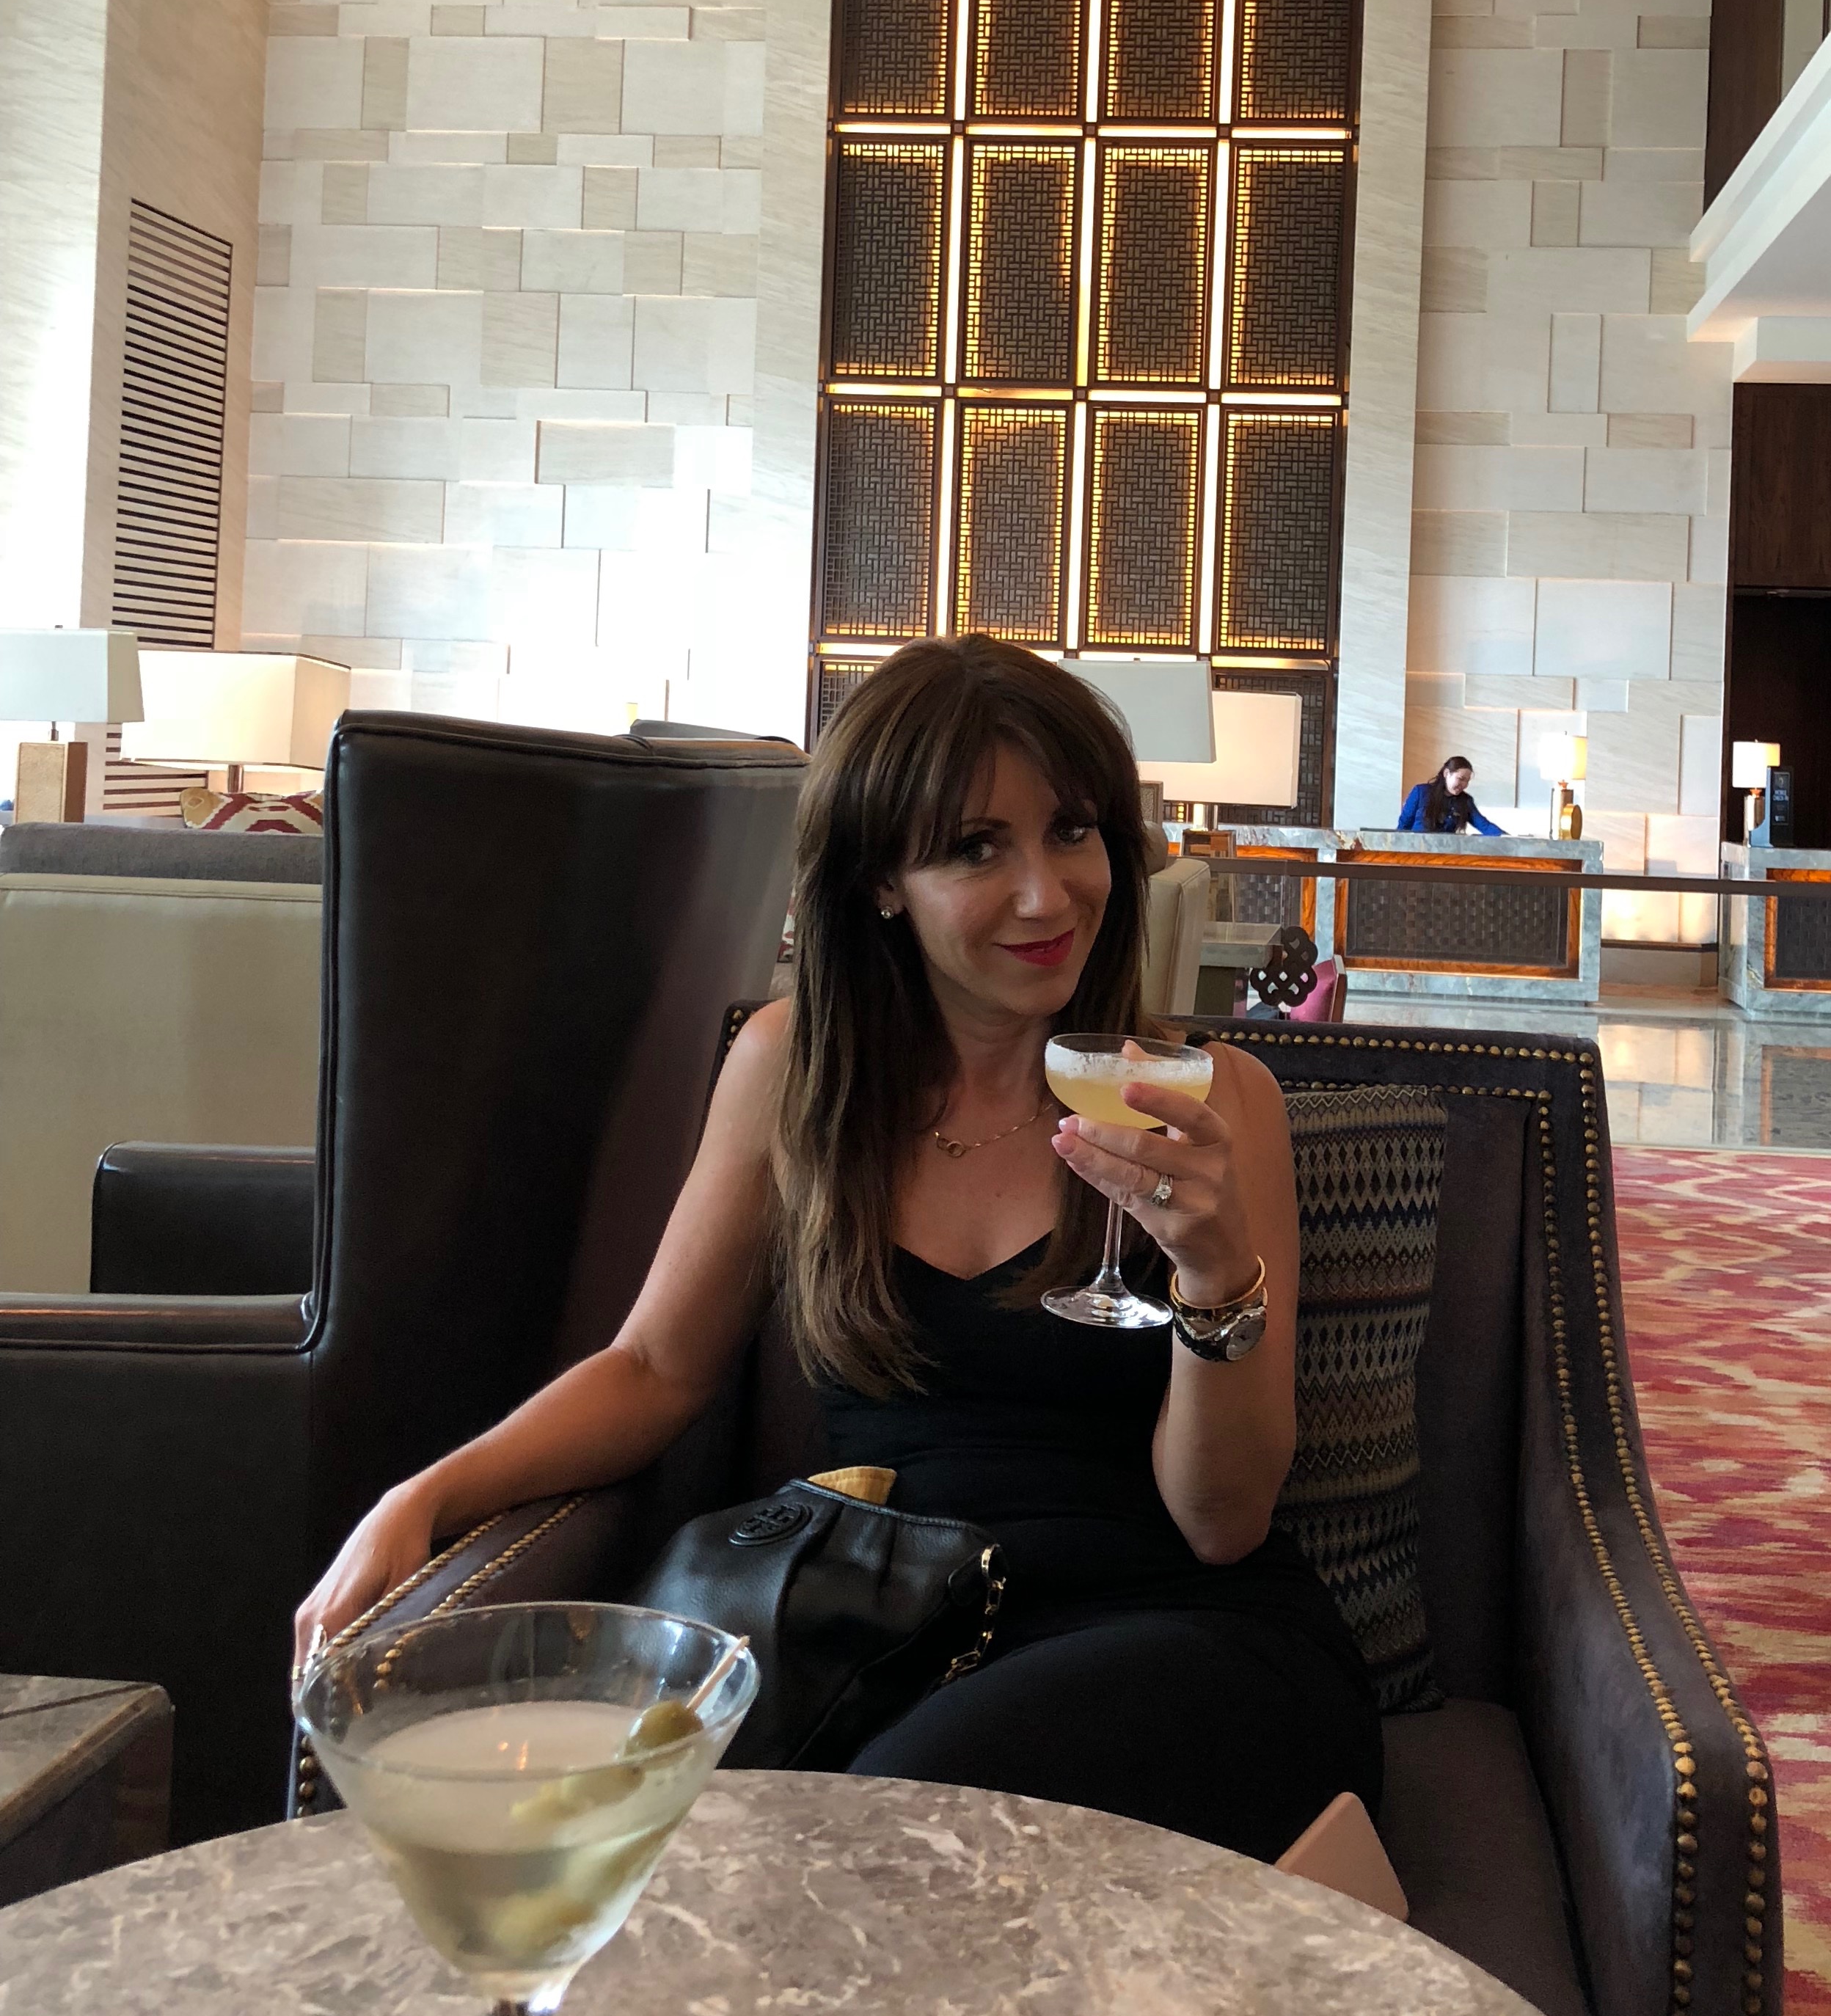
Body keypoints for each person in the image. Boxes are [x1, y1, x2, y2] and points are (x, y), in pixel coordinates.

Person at [295, 635, 1380, 1863]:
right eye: (976, 848)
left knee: (861, 1838)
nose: (1046, 894)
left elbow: (1221, 1523)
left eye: (1071, 831)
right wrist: (424, 1498)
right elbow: (654, 1368)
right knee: (639, 1831)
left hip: (1181, 1640)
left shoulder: (1205, 1100)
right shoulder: (793, 1070)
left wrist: (1214, 1278)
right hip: (894, 1638)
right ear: (879, 882)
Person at [1395, 755, 1503, 836]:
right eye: (1461, 779)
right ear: (1447, 773)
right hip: (1417, 851)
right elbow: (1404, 825)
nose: (1464, 785)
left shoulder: (1466, 801)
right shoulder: (1421, 792)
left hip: (1446, 854)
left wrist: (1508, 839)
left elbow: (1485, 826)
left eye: (1467, 781)